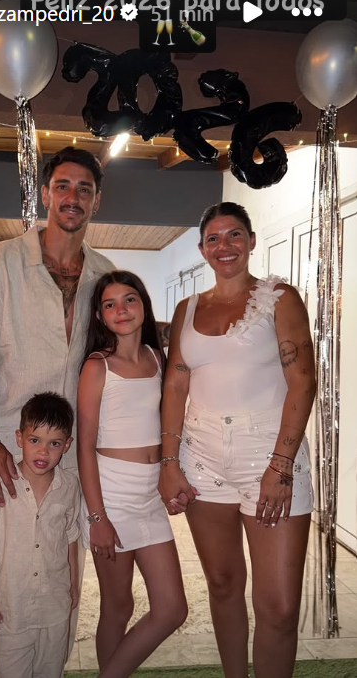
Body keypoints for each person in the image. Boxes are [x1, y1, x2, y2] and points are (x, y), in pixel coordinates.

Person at [0, 147, 115, 678]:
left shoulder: (104, 275)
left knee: (55, 583)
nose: (72, 197)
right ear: (45, 194)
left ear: (96, 201)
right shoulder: (0, 262)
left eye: (84, 189)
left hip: (66, 460)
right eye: (63, 186)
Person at [159, 202, 315, 678]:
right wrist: (169, 462)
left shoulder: (280, 298)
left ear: (250, 241)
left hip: (270, 455)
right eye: (213, 238)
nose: (223, 246)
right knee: (223, 584)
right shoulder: (187, 308)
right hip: (201, 456)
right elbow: (175, 385)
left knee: (279, 607)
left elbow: (303, 381)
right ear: (202, 248)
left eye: (234, 235)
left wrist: (280, 466)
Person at [77, 270, 187, 678]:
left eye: (129, 300)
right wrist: (97, 517)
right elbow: (84, 447)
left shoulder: (158, 358)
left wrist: (173, 477)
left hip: (149, 496)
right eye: (110, 304)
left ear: (143, 305)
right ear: (100, 316)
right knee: (118, 605)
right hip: (112, 494)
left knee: (172, 608)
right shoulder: (97, 366)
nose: (120, 310)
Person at [0, 391, 79, 678]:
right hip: (11, 610)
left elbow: (71, 536)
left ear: (67, 445)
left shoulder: (69, 486)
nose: (43, 452)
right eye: (34, 440)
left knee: (51, 671)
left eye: (54, 443)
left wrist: (73, 582)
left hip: (55, 609)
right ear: (19, 438)